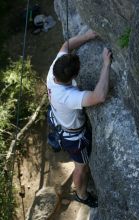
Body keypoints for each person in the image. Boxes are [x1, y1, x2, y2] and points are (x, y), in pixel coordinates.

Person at [47, 30, 112, 207]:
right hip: (74, 138)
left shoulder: (54, 71)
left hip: (59, 120)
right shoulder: (68, 97)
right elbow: (100, 96)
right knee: (81, 167)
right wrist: (106, 64)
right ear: (74, 78)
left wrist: (90, 35)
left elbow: (66, 45)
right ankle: (81, 195)